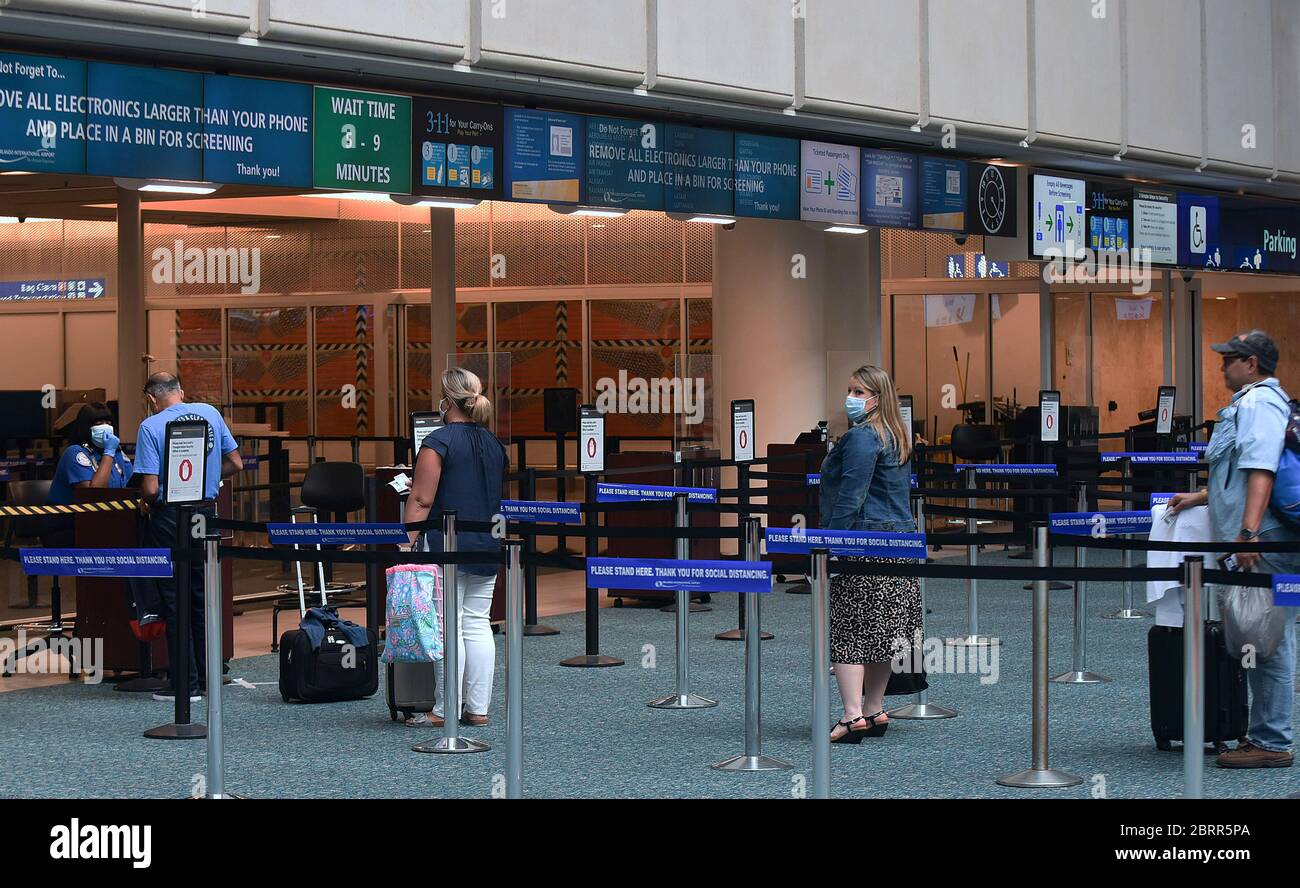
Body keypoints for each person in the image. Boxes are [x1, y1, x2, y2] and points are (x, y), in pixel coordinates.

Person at [1168, 330, 1298, 769]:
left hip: (1269, 543)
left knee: (1270, 637)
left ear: (1252, 365)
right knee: (1270, 633)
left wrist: (1248, 533)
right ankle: (1268, 733)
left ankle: (1272, 741)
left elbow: (1261, 470)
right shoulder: (1258, 402)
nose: (1223, 365)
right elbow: (1241, 475)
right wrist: (1200, 497)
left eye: (1231, 359)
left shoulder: (1259, 403)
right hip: (1271, 539)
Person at [820, 365, 921, 743]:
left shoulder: (863, 437)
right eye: (850, 390)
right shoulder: (897, 435)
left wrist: (831, 543)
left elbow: (852, 494)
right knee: (885, 633)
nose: (852, 398)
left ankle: (851, 716)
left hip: (864, 543)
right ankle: (874, 709)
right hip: (900, 543)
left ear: (878, 397)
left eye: (859, 392)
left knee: (850, 631)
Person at [404, 368, 506, 729]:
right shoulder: (495, 444)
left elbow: (421, 497)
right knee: (478, 624)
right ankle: (477, 708)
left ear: (447, 401)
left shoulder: (437, 442)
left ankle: (444, 710)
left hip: (447, 544)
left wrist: (406, 541)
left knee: (449, 626)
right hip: (488, 542)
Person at [131, 372, 241, 703]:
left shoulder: (150, 427)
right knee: (199, 597)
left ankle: (185, 684)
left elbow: (150, 488)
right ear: (181, 390)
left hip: (169, 517)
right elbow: (235, 462)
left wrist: (147, 499)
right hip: (205, 514)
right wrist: (207, 476)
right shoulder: (210, 413)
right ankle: (208, 679)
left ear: (151, 398)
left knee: (173, 599)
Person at [47, 403, 133, 508]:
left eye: (109, 423)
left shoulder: (117, 452)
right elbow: (93, 495)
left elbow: (132, 485)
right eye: (99, 423)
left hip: (111, 515)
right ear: (86, 427)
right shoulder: (74, 453)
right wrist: (109, 452)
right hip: (72, 519)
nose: (106, 427)